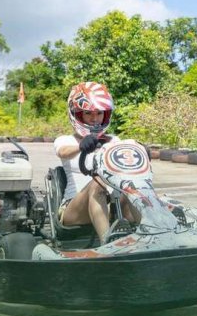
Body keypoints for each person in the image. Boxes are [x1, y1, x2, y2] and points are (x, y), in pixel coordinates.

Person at [53, 81, 138, 242]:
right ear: (77, 114)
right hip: (74, 210)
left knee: (132, 183)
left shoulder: (114, 140)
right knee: (97, 182)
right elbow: (63, 152)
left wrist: (140, 150)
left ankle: (153, 233)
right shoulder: (65, 140)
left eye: (99, 113)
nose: (95, 119)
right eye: (88, 113)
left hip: (112, 205)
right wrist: (80, 146)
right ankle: (107, 242)